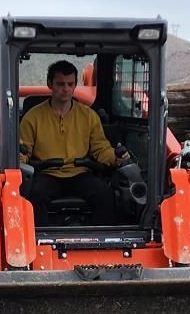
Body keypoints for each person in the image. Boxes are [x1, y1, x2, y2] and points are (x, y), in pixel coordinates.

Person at [18, 59, 126, 224]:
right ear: (50, 84)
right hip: (47, 174)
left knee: (105, 194)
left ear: (75, 84)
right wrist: (20, 159)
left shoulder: (88, 116)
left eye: (70, 84)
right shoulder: (32, 117)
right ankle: (40, 243)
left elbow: (100, 148)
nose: (66, 89)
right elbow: (24, 150)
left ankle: (100, 242)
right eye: (60, 84)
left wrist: (114, 158)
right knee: (34, 195)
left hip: (79, 174)